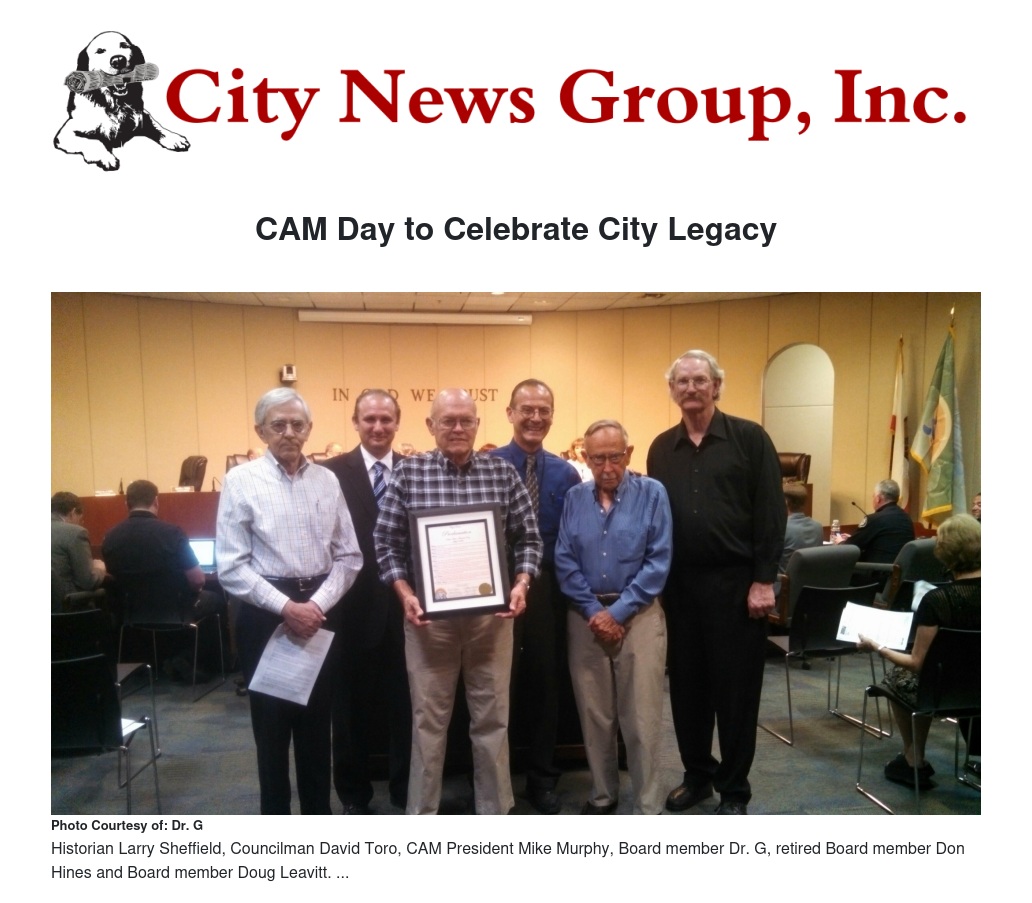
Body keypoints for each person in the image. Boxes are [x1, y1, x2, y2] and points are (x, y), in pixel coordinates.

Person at [374, 388, 542, 815]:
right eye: (448, 420)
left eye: (466, 420)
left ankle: (494, 812)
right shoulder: (409, 474)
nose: (458, 428)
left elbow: (529, 538)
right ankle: (422, 815)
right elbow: (386, 543)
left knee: (493, 720)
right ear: (431, 425)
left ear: (478, 424)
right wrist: (406, 593)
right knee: (427, 724)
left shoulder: (502, 473)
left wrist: (521, 583)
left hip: (491, 622)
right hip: (430, 624)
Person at [647, 349, 785, 815]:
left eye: (700, 380)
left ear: (717, 386)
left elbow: (771, 512)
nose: (691, 388)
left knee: (735, 693)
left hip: (737, 587)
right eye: (682, 381)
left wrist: (763, 580)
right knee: (688, 690)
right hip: (680, 588)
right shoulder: (660, 448)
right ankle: (697, 776)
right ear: (672, 390)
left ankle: (735, 789)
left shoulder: (750, 438)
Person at [216, 388, 363, 815]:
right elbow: (230, 566)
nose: (289, 433)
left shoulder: (327, 481)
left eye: (297, 424)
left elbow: (350, 555)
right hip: (266, 617)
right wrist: (286, 607)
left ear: (309, 429)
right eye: (278, 425)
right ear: (260, 430)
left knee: (318, 728)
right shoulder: (241, 481)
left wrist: (316, 606)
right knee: (272, 733)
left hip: (319, 611)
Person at [555, 420, 672, 814]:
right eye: (598, 458)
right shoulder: (574, 498)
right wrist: (595, 611)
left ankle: (647, 805)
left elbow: (658, 562)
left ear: (629, 454)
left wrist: (618, 612)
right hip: (586, 619)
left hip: (639, 616)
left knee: (642, 718)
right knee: (595, 717)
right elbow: (564, 560)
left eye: (615, 457)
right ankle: (603, 795)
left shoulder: (653, 494)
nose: (607, 467)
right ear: (585, 458)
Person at [489, 379, 581, 813]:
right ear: (510, 413)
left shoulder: (566, 474)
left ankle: (542, 778)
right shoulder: (488, 465)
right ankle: (496, 779)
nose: (535, 417)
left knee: (545, 683)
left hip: (546, 591)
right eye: (526, 409)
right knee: (496, 685)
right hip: (495, 588)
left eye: (544, 410)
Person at [321, 389, 411, 814]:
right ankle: (353, 796)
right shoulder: (329, 474)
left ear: (397, 423)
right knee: (349, 710)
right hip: (350, 610)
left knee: (406, 707)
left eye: (386, 419)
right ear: (355, 422)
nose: (378, 427)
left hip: (406, 608)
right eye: (369, 419)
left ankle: (405, 790)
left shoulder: (415, 470)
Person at [857, 514, 980, 788]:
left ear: (944, 553)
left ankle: (914, 760)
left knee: (899, 677)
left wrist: (877, 646)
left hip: (944, 692)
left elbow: (917, 663)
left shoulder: (937, 600)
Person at [101, 479, 224, 679]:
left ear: (126, 504)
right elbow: (198, 580)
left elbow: (114, 576)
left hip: (132, 613)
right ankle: (199, 663)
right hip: (176, 610)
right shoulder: (172, 533)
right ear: (156, 501)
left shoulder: (110, 537)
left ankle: (163, 660)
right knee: (217, 599)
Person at [833, 479, 915, 573]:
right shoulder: (906, 518)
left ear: (878, 498)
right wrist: (852, 538)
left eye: (873, 496)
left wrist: (840, 542)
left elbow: (849, 547)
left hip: (876, 574)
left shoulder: (875, 519)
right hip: (900, 575)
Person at [51, 491, 105, 610]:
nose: (81, 523)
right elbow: (88, 581)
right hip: (66, 607)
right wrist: (99, 568)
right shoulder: (75, 532)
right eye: (81, 519)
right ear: (73, 512)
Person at [777, 482, 824, 592]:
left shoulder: (781, 528)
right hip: (810, 590)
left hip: (782, 590)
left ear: (785, 502)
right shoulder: (818, 527)